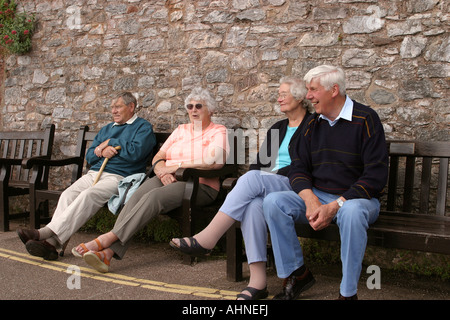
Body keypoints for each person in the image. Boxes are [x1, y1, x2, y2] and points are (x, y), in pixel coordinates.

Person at [170, 77, 312, 300]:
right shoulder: (279, 128)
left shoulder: (313, 127)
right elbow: (259, 164)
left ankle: (208, 238)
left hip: (296, 187)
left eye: (284, 94)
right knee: (252, 205)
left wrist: (266, 178)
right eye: (279, 93)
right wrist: (263, 178)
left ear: (301, 97)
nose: (279, 98)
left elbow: (308, 166)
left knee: (253, 179)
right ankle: (258, 283)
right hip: (268, 186)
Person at [263, 65, 389, 300]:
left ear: (333, 90)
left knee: (350, 213)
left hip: (359, 200)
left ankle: (347, 293)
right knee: (273, 202)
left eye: (313, 90)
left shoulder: (366, 119)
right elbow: (298, 166)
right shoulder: (314, 123)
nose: (308, 95)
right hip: (319, 196)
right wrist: (310, 199)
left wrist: (336, 205)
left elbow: (375, 177)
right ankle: (297, 274)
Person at [72, 87, 229, 273]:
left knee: (153, 198)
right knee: (136, 196)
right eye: (190, 106)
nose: (193, 110)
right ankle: (107, 255)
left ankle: (107, 239)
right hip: (168, 177)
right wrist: (163, 171)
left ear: (209, 110)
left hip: (199, 185)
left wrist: (174, 168)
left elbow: (215, 162)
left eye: (198, 106)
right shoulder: (181, 130)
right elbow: (159, 157)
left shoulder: (218, 131)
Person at [17, 92, 156, 261]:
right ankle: (52, 245)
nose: (114, 111)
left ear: (131, 107)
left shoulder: (143, 127)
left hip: (120, 178)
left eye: (118, 107)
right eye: (112, 107)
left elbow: (137, 153)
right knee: (68, 194)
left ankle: (44, 233)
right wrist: (102, 151)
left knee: (88, 195)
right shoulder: (107, 129)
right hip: (94, 173)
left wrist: (111, 143)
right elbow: (90, 157)